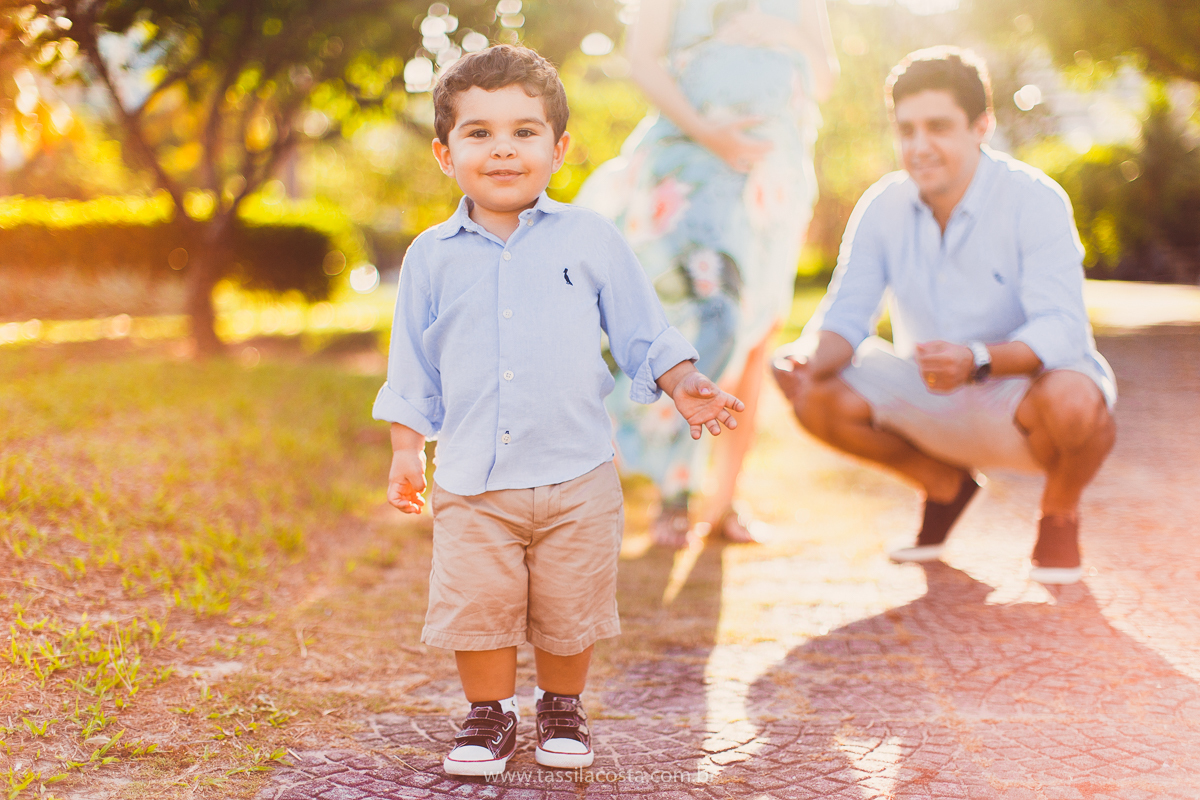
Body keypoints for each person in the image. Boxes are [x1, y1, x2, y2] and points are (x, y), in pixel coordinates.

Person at [373, 45, 743, 777]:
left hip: (576, 470)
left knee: (571, 606)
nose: (503, 148)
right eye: (479, 133)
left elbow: (643, 328)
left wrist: (682, 379)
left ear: (559, 147)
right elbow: (411, 364)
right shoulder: (431, 256)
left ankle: (561, 704)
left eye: (524, 131)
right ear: (446, 155)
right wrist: (405, 448)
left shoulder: (592, 238)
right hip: (475, 478)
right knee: (478, 604)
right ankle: (488, 714)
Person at [772, 46, 1117, 586]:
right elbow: (846, 315)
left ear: (982, 125)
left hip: (1019, 396)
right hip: (929, 392)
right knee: (808, 388)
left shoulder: (1035, 198)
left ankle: (1058, 513)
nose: (918, 146)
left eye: (937, 127)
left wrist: (978, 359)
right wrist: (803, 358)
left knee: (1077, 399)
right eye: (906, 129)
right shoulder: (882, 204)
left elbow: (1063, 327)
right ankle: (943, 485)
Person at [575, 0, 838, 547]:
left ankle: (724, 502)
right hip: (693, 162)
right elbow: (643, 60)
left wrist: (777, 33)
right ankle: (675, 493)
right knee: (700, 325)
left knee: (755, 331)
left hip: (774, 174)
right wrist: (708, 133)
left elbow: (827, 77)